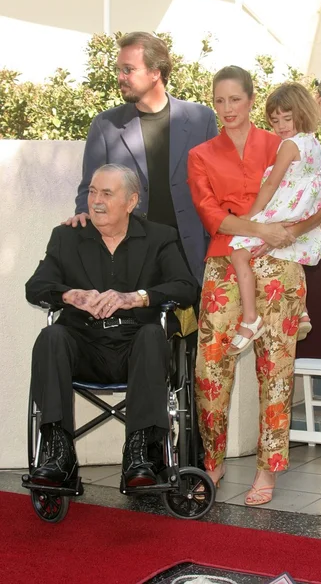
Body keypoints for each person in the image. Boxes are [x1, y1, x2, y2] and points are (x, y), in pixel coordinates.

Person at [187, 66, 321, 506]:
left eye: (235, 99)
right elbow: (211, 214)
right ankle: (213, 460)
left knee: (276, 370)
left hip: (283, 264)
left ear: (252, 100)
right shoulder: (200, 154)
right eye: (219, 101)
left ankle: (267, 469)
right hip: (225, 263)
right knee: (209, 366)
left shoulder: (285, 141)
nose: (227, 109)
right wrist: (259, 229)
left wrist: (288, 231)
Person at [26, 164, 198, 488]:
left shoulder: (160, 237)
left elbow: (186, 287)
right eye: (92, 192)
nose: (96, 201)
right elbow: (35, 286)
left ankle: (141, 454)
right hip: (83, 349)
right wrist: (69, 294)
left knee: (152, 334)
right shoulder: (66, 236)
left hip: (137, 351)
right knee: (51, 336)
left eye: (107, 193)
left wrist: (139, 297)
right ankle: (58, 454)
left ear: (131, 201)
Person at [68, 31, 218, 286]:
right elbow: (88, 190)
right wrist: (84, 213)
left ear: (155, 72)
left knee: (192, 327)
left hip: (191, 254)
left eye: (128, 70)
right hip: (131, 259)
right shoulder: (106, 125)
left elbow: (215, 186)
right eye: (119, 69)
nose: (120, 77)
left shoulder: (200, 119)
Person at [227, 83, 321, 355]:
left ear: (302, 112)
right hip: (302, 210)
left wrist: (252, 216)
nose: (282, 125)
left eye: (287, 117)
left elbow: (271, 184)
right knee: (291, 254)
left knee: (239, 255)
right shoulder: (312, 142)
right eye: (275, 120)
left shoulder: (289, 145)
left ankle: (250, 319)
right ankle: (303, 312)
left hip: (283, 209)